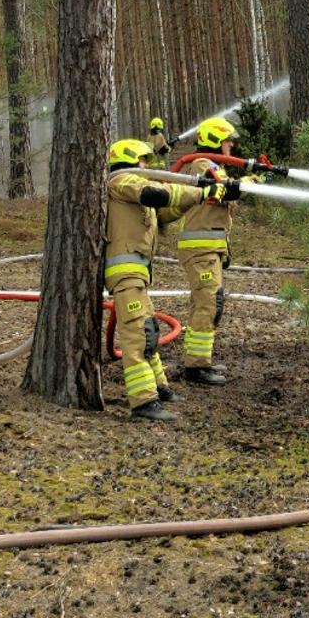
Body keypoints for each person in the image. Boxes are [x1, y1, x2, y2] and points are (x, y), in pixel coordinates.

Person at [105, 138, 235, 422]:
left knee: (148, 330)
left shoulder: (133, 190)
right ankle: (143, 402)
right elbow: (156, 194)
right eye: (144, 161)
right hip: (125, 272)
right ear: (131, 159)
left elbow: (166, 212)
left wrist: (202, 195)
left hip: (137, 273)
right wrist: (200, 192)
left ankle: (160, 388)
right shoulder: (122, 182)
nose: (147, 167)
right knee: (138, 334)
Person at [164, 117, 243, 386]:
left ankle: (201, 360)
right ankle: (196, 368)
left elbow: (227, 191)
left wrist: (256, 177)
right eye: (227, 140)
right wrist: (242, 184)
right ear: (214, 140)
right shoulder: (202, 164)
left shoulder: (212, 167)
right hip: (200, 249)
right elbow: (224, 190)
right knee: (208, 303)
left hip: (209, 248)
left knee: (211, 303)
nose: (231, 145)